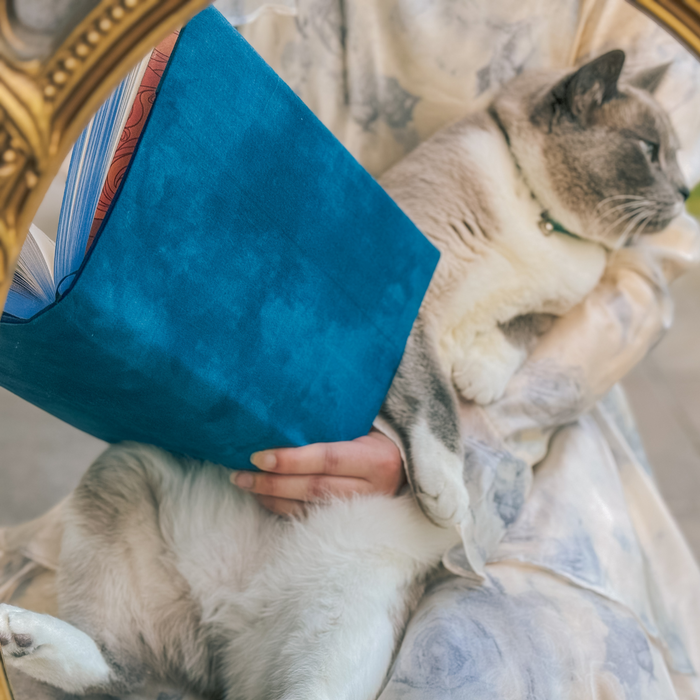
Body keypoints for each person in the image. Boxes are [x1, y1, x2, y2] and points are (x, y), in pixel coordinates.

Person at [3, 0, 700, 696]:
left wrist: (462, 441)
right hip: (240, 386)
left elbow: (647, 270)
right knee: (114, 523)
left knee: (497, 657)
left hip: (504, 409)